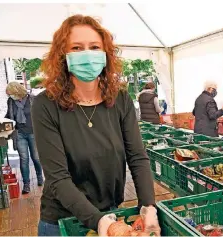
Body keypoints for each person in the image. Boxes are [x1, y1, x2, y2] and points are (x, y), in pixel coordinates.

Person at [31, 15, 159, 236]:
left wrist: (148, 207)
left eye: (94, 47)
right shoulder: (45, 105)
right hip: (62, 221)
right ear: (63, 55)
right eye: (77, 48)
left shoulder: (120, 99)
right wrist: (101, 223)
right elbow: (58, 178)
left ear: (105, 53)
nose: (87, 54)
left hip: (110, 212)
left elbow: (137, 156)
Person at [5, 81, 44, 194]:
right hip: (19, 133)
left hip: (33, 133)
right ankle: (26, 184)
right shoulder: (11, 101)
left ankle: (40, 177)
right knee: (24, 159)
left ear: (16, 91)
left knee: (36, 157)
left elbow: (41, 114)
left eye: (11, 93)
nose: (10, 96)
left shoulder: (32, 99)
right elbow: (9, 115)